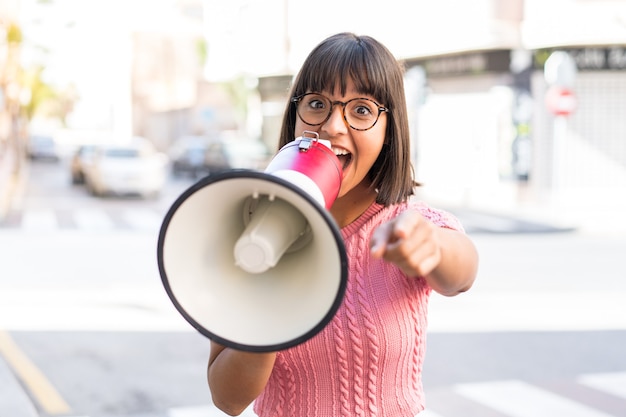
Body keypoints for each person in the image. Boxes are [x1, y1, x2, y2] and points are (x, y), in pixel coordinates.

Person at [207, 32, 479, 417]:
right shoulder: (249, 236)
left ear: (389, 132)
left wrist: (430, 246)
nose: (333, 126)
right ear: (295, 116)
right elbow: (228, 398)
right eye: (317, 103)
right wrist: (269, 294)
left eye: (362, 110)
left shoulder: (409, 225)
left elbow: (461, 272)